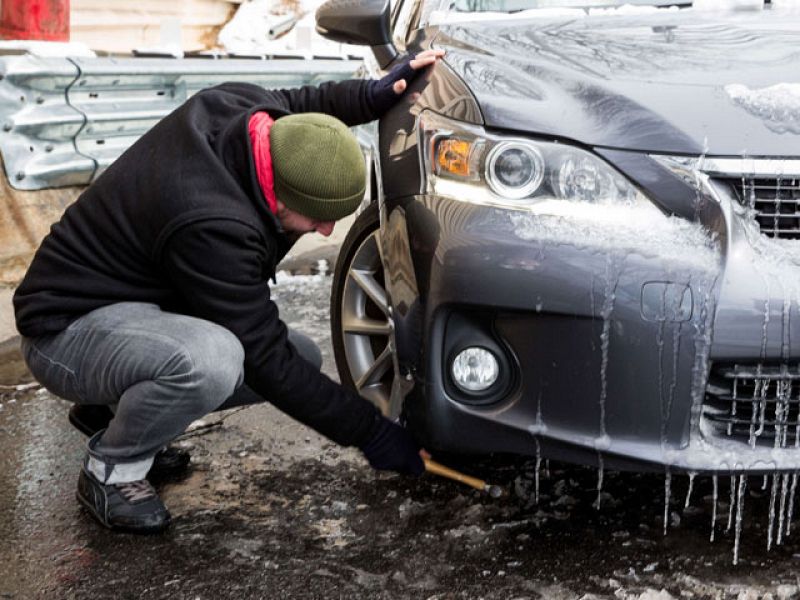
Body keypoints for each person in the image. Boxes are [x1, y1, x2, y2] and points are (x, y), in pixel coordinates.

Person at [13, 49, 445, 533]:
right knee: (213, 362)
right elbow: (265, 357)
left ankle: (114, 412)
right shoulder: (213, 225)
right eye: (316, 219)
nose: (325, 231)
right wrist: (372, 433)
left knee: (302, 356)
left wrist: (372, 94)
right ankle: (112, 469)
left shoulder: (248, 114)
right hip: (64, 333)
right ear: (278, 195)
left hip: (132, 315)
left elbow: (305, 104)